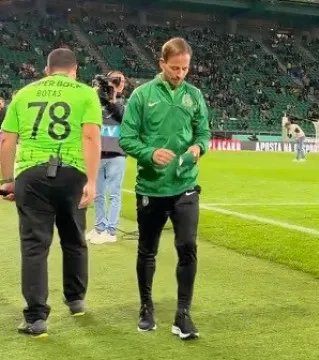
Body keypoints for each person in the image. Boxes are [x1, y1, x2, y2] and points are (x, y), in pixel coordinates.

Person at [0, 48, 102, 337]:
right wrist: (92, 182)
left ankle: (36, 318)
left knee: (34, 245)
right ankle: (76, 300)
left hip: (31, 175)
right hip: (72, 173)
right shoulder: (85, 94)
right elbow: (91, 136)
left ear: (47, 70)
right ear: (75, 70)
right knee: (74, 238)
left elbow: (7, 138)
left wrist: (8, 180)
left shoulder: (23, 94)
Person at [119, 37, 211, 340]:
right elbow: (126, 138)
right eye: (175, 68)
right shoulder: (142, 96)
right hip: (151, 186)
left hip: (185, 185)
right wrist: (149, 153)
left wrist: (199, 148)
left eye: (185, 68)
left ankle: (183, 314)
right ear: (161, 64)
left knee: (187, 247)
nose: (180, 74)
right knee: (147, 250)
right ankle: (146, 307)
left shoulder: (195, 95)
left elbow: (204, 133)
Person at [86, 70, 127, 244]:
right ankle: (99, 227)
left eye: (121, 81)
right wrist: (97, 91)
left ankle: (111, 231)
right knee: (98, 194)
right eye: (115, 80)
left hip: (117, 154)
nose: (119, 83)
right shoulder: (96, 101)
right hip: (98, 153)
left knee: (114, 194)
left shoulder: (125, 104)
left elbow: (124, 117)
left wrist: (112, 99)